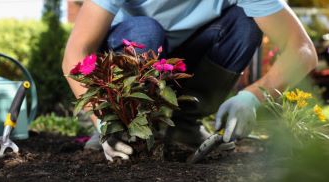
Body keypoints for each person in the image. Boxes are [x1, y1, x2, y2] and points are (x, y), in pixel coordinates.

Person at [62, 0, 318, 161]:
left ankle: (185, 124)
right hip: (133, 47)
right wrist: (104, 120)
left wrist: (252, 96)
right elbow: (76, 52)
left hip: (188, 59)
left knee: (246, 21)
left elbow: (303, 50)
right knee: (145, 31)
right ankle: (125, 129)